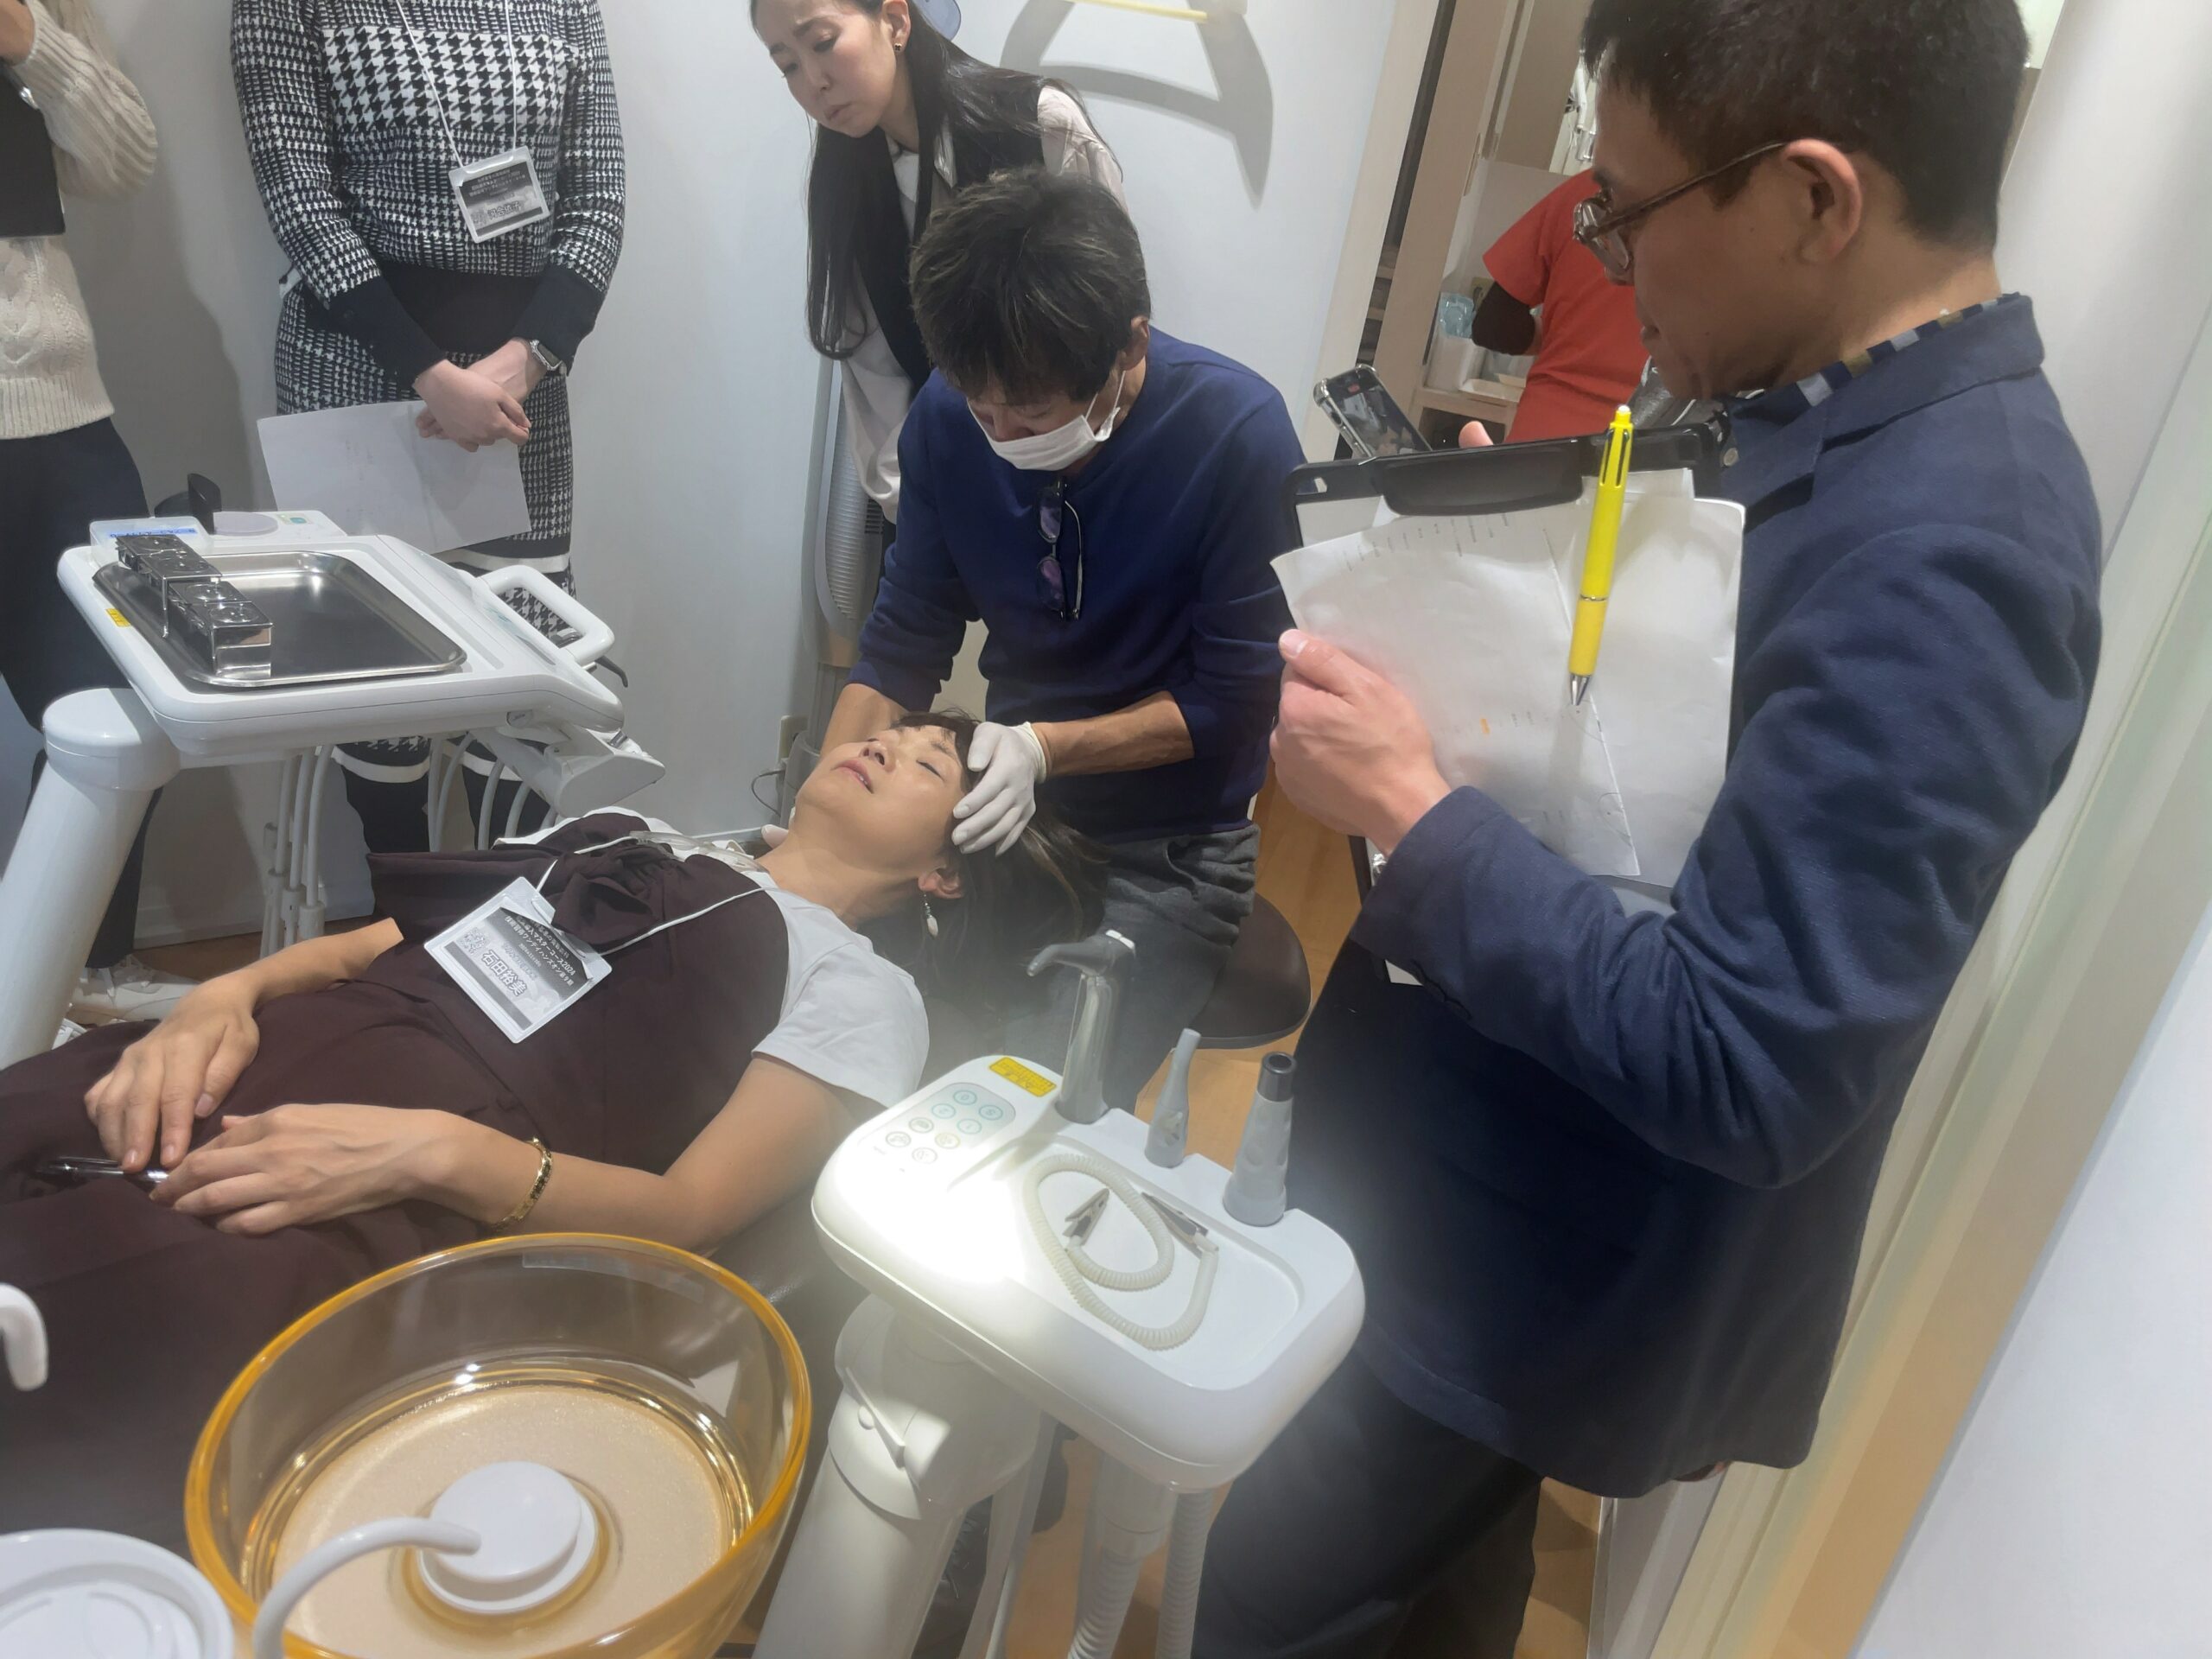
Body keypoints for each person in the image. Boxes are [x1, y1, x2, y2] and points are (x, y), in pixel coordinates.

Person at [1198, 1, 2102, 1653]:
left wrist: (1408, 803)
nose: (1608, 261)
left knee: (1267, 1604)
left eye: (1625, 210)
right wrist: (1503, 587)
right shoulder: (1838, 408)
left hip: (1531, 1269)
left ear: (1815, 198)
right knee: (1424, 1604)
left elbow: (1750, 1057)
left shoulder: (1959, 556)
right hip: (1469, 1201)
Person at [0, 712, 1100, 1547]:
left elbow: (692, 1213)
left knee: (76, 1316)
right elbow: (366, 948)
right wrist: (216, 1000)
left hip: (406, 1183)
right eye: (892, 732)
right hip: (269, 1048)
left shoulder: (861, 991)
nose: (882, 744)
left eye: (927, 767)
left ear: (941, 873)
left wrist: (428, 1149)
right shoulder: (630, 836)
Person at [820, 168, 1300, 1106]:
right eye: (981, 407)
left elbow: (1241, 699)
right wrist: (821, 811)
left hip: (1170, 850)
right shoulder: (946, 420)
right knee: (845, 1031)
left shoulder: (1234, 434)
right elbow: (905, 635)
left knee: (1012, 1103)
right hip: (1004, 814)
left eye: (1032, 415)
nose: (1000, 434)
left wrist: (1045, 749)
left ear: (1130, 347)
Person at [231, 0, 626, 854]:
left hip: (522, 391)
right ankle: (406, 907)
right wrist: (429, 373)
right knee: (373, 672)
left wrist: (528, 359)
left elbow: (598, 198)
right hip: (356, 380)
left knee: (530, 673)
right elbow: (297, 195)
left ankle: (510, 906)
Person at [753, 0, 1122, 526]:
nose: (814, 83)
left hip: (1078, 479)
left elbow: (1111, 328)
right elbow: (876, 385)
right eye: (788, 65)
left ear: (895, 19)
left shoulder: (1039, 125)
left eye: (823, 43)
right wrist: (927, 514)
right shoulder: (843, 188)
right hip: (946, 502)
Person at [0, 0, 180, 1021]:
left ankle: (88, 973)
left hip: (63, 412)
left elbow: (123, 161)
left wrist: (28, 36)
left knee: (130, 705)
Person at [1471, 168, 1647, 442]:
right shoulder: (1705, 215)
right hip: (1647, 443)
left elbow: (1494, 324)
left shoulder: (1588, 191)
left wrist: (1563, 338)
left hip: (1543, 435)